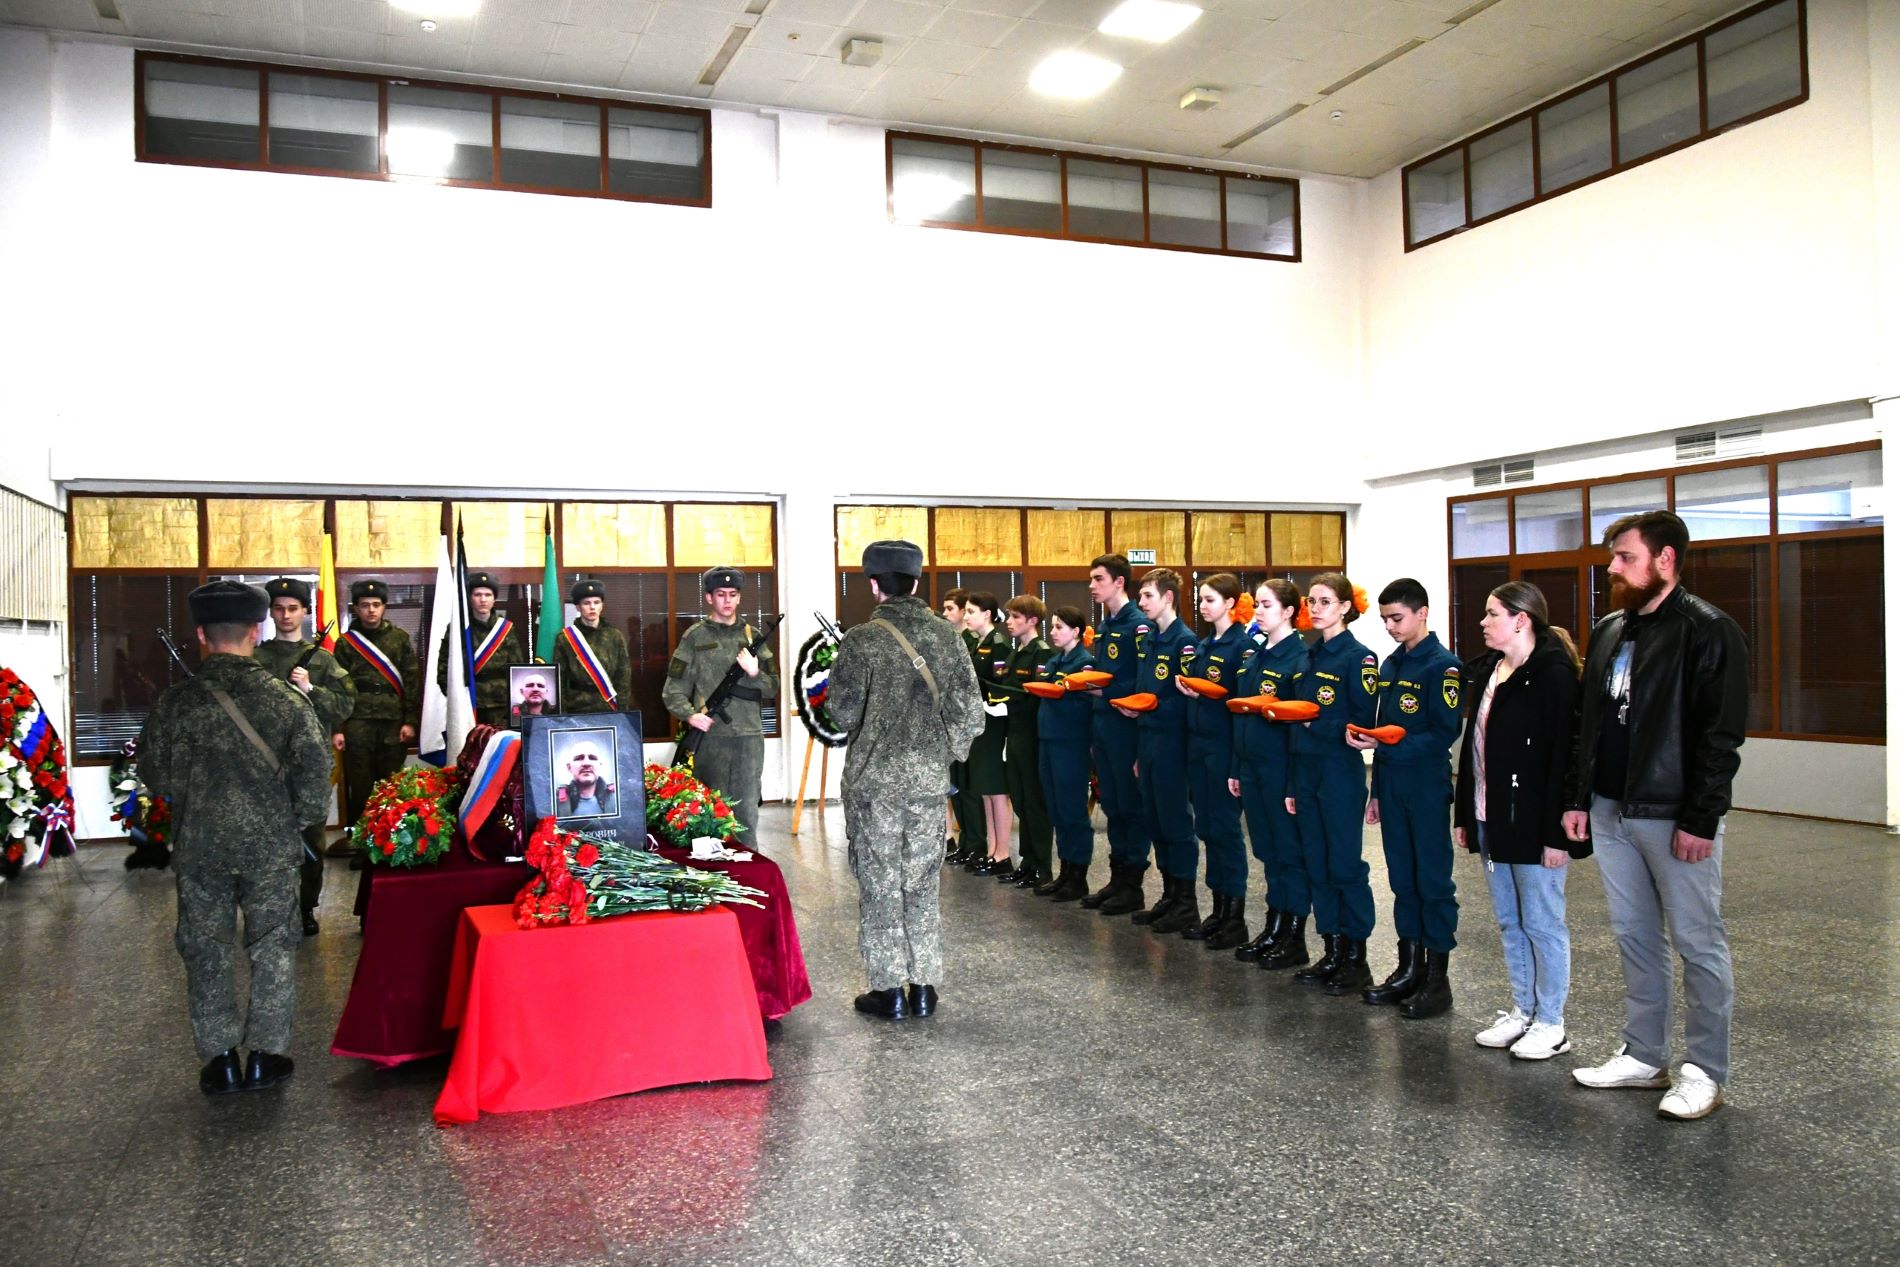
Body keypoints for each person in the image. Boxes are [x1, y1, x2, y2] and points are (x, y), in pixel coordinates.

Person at [1565, 510, 1747, 1120]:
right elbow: (1588, 725)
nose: (1613, 568)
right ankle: (1644, 1055)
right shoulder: (1612, 629)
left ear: (1665, 560)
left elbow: (1720, 738)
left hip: (1673, 814)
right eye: (1614, 557)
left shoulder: (1708, 630)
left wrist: (1701, 817)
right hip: (1612, 811)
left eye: (1626, 557)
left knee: (1698, 941)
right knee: (1635, 936)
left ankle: (1704, 1071)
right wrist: (1579, 798)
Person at [137, 581, 332, 1094]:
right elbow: (315, 777)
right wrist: (296, 820)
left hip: (200, 847)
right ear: (257, 629)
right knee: (273, 947)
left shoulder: (175, 703)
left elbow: (155, 776)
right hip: (271, 848)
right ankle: (267, 1056)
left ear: (201, 634)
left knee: (205, 948)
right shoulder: (287, 701)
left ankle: (220, 1060)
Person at [826, 540, 985, 1019]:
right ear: (917, 582)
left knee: (879, 884)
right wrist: (941, 757)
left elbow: (841, 712)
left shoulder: (862, 639)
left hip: (875, 786)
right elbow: (970, 715)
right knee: (921, 883)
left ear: (874, 584)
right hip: (927, 785)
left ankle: (887, 989)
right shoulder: (947, 636)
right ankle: (924, 987)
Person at [1455, 581, 1586, 1060]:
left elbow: (1564, 759)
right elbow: (1475, 748)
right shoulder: (1492, 670)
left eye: (1492, 614)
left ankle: (1552, 1021)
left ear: (1521, 619)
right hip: (1494, 817)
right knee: (1511, 922)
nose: (1483, 622)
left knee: (1543, 923)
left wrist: (1557, 834)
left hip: (1534, 822)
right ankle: (1523, 1010)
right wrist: (1467, 812)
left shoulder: (1553, 676)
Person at [1353, 578, 1464, 1018]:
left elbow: (1444, 734)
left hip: (1425, 787)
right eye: (1384, 620)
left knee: (1432, 882)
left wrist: (1391, 746)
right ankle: (1409, 968)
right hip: (1394, 786)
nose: (1390, 627)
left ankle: (1438, 981)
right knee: (1402, 880)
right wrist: (1376, 791)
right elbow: (1383, 730)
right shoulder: (1391, 664)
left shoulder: (1443, 666)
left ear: (1423, 613)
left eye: (1397, 618)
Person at [1285, 573, 1378, 994]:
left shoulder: (1358, 658)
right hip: (1305, 771)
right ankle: (1331, 948)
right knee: (1316, 864)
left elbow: (1364, 721)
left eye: (1325, 601)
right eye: (1311, 601)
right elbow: (1291, 726)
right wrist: (1291, 783)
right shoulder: (1307, 657)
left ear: (1345, 607)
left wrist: (1316, 721)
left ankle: (1355, 958)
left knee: (1344, 865)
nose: (1316, 608)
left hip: (1339, 771)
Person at [254, 577, 354, 936]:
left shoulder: (323, 661)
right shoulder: (256, 659)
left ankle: (306, 906)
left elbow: (345, 703)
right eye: (279, 608)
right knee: (266, 840)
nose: (285, 615)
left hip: (309, 766)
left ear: (305, 612)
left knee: (311, 840)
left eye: (292, 608)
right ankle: (269, 907)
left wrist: (310, 687)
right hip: (264, 766)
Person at [662, 565, 779, 844]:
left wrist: (754, 672)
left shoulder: (752, 637)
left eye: (733, 594)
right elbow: (672, 690)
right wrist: (690, 716)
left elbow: (773, 686)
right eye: (721, 594)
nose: (727, 601)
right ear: (709, 598)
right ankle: (712, 877)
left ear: (739, 598)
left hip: (749, 737)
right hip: (711, 738)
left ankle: (749, 875)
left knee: (747, 813)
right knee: (709, 813)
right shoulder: (695, 637)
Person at [1230, 579, 1310, 969]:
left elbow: (1297, 728)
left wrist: (1294, 782)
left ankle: (1294, 934)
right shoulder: (1255, 654)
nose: (1257, 612)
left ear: (1289, 611)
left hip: (1279, 768)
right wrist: (1236, 767)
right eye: (1257, 605)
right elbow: (1240, 714)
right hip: (1252, 767)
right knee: (1266, 850)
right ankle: (1274, 925)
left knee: (1287, 852)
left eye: (1265, 605)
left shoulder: (1298, 659)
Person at [1119, 568, 1200, 934]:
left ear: (1168, 597)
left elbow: (1184, 702)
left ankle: (1186, 901)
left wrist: (1148, 708)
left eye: (1148, 596)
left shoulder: (1184, 643)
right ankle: (1169, 895)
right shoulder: (1150, 639)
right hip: (1148, 740)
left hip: (1171, 742)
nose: (1142, 603)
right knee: (1155, 819)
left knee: (1175, 822)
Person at [1173, 574, 1251, 949]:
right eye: (1201, 600)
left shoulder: (1242, 647)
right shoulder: (1203, 647)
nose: (1203, 607)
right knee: (1206, 828)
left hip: (1223, 748)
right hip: (1199, 747)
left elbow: (1239, 704)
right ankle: (1218, 910)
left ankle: (1234, 917)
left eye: (1210, 600)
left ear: (1231, 604)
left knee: (1225, 830)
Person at [1081, 553, 1154, 915]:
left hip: (1126, 726)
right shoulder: (1107, 625)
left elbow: (1141, 682)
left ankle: (1133, 884)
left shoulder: (1137, 625)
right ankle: (1117, 878)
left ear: (1119, 582)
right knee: (1111, 803)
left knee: (1130, 805)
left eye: (1098, 579)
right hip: (1103, 726)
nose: (1092, 586)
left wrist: (1103, 691)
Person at [334, 578, 418, 845]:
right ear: (355, 608)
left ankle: (391, 843)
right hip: (357, 724)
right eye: (364, 605)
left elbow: (412, 681)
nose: (370, 610)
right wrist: (338, 727)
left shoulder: (399, 639)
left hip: (393, 723)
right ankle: (360, 844)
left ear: (385, 607)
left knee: (390, 786)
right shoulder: (346, 644)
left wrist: (410, 721)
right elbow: (337, 688)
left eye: (376, 604)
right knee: (360, 787)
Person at [1034, 605, 1097, 901]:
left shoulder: (1084, 664)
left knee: (1073, 809)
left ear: (1076, 631)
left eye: (1060, 627)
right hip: (1049, 740)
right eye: (1053, 626)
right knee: (1057, 809)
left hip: (1071, 743)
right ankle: (1065, 871)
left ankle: (1078, 876)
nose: (1053, 631)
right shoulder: (1055, 660)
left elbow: (1085, 704)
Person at [997, 595, 1054, 889]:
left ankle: (1042, 866)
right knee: (1019, 799)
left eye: (1016, 617)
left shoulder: (1040, 654)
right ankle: (1027, 862)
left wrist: (1005, 696)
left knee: (1034, 802)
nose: (1009, 622)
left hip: (1032, 734)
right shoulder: (1015, 652)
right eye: (1009, 616)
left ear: (1032, 621)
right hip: (1014, 732)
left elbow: (1035, 694)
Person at [961, 592, 1015, 876]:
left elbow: (1000, 685)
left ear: (988, 614)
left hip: (994, 721)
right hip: (979, 721)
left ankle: (1003, 853)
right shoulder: (975, 642)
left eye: (971, 611)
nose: (966, 616)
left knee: (997, 790)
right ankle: (993, 850)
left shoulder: (998, 644)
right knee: (985, 790)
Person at [456, 570, 526, 729]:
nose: (483, 599)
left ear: (494, 599)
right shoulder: (458, 630)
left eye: (488, 595)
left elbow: (517, 670)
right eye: (477, 594)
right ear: (469, 598)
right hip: (468, 705)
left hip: (500, 706)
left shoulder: (506, 629)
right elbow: (445, 670)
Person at [556, 579, 632, 714]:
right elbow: (559, 679)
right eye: (586, 603)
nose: (592, 607)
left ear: (602, 605)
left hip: (609, 706)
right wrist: (562, 714)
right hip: (577, 707)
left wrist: (622, 711)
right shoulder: (565, 639)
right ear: (578, 607)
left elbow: (623, 677)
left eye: (596, 602)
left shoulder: (615, 636)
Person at [940, 586, 970, 859]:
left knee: (962, 786)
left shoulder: (969, 642)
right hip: (944, 720)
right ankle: (947, 836)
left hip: (962, 722)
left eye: (951, 608)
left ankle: (967, 839)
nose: (945, 613)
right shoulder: (945, 641)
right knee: (944, 782)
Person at [554, 742, 616, 817]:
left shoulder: (617, 797)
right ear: (569, 767)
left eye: (592, 758)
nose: (586, 763)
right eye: (579, 758)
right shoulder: (554, 800)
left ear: (600, 766)